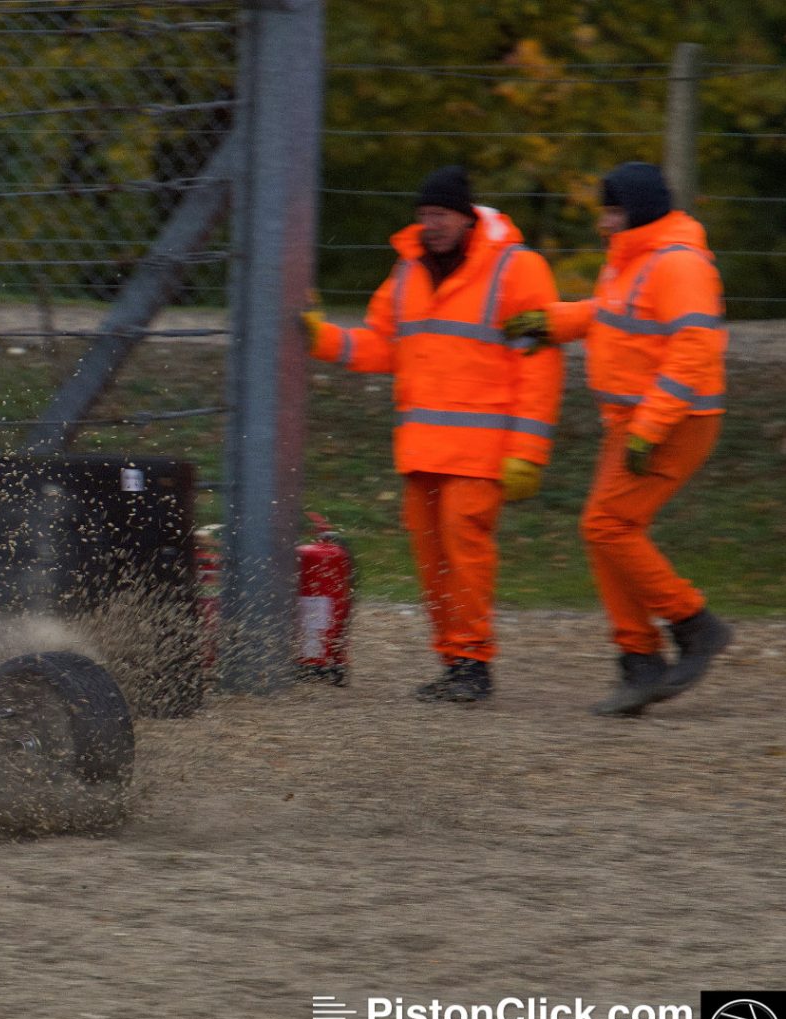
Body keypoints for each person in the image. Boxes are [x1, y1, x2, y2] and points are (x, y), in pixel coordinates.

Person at [304, 165, 564, 702]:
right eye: (424, 215)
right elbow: (383, 346)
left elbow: (538, 364)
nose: (431, 225)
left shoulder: (517, 269)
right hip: (422, 452)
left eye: (440, 215)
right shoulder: (408, 273)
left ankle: (472, 663)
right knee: (433, 564)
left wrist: (529, 451)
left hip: (481, 454)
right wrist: (322, 339)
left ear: (467, 218)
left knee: (465, 559)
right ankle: (455, 663)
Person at [503, 161, 733, 716]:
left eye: (611, 209)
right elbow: (611, 316)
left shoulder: (678, 265)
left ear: (635, 211)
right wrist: (551, 322)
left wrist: (650, 428)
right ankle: (641, 660)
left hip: (673, 423)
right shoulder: (632, 259)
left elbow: (694, 350)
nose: (603, 221)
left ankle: (693, 625)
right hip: (634, 423)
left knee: (607, 526)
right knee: (608, 530)